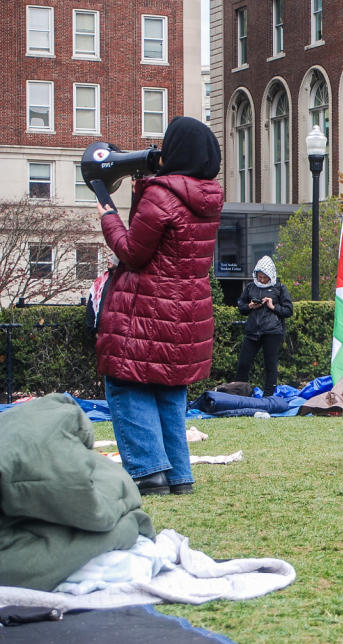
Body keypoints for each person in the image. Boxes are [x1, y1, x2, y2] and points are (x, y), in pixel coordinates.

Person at [95, 116, 223, 496]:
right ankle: (178, 475)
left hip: (147, 307)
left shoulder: (161, 195)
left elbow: (134, 253)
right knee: (169, 388)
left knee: (126, 380)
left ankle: (149, 472)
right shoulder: (207, 197)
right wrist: (143, 191)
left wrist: (108, 216)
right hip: (187, 311)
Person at [235, 255, 294, 395]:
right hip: (252, 331)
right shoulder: (250, 287)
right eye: (259, 277)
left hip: (272, 332)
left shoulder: (279, 288)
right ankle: (239, 394)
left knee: (270, 365)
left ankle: (268, 396)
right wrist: (250, 306)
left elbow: (289, 310)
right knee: (243, 363)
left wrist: (273, 307)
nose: (262, 280)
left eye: (264, 277)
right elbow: (241, 307)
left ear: (271, 275)